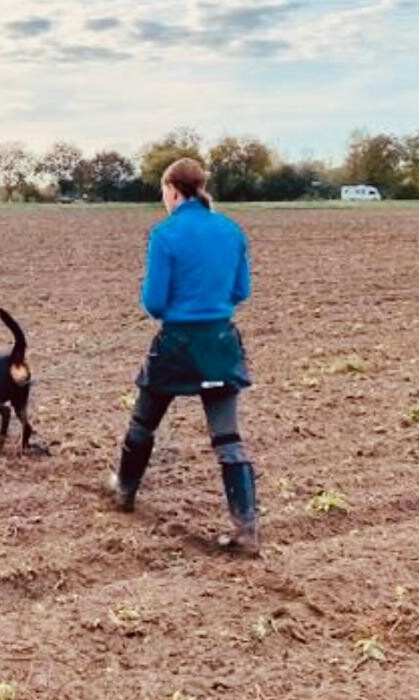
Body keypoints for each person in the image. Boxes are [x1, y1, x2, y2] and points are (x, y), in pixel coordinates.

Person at [108, 157, 260, 554]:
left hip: (176, 345)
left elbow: (154, 302)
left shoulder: (165, 234)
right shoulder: (231, 230)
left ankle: (124, 492)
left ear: (173, 190)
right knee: (228, 439)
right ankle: (246, 530)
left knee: (143, 423)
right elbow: (241, 291)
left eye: (163, 192)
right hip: (221, 345)